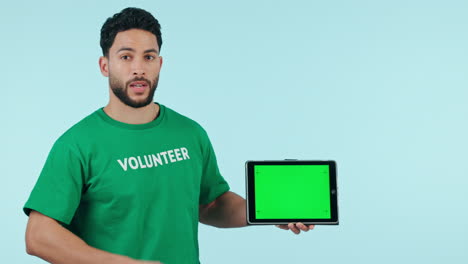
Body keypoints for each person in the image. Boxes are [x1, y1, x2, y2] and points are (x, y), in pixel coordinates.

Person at [23, 7, 314, 264]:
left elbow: (211, 204)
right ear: (105, 65)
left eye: (148, 57)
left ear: (159, 64)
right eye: (126, 56)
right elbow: (39, 236)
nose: (138, 68)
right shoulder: (77, 145)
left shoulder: (190, 133)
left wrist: (269, 211)